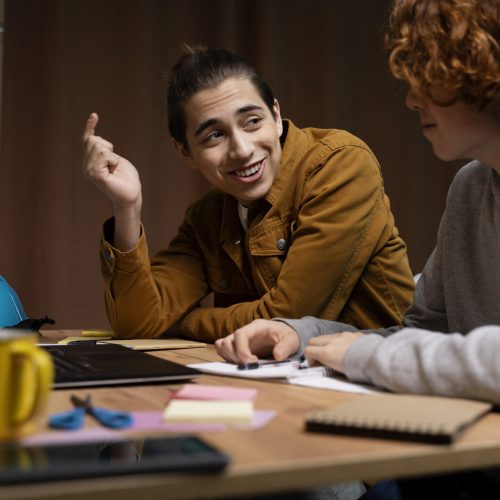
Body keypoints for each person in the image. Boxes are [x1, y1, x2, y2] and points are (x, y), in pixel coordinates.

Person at [216, 0, 500, 496]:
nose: (412, 100)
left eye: (429, 76)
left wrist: (364, 355)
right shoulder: (472, 189)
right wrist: (300, 335)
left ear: (485, 76)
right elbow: (419, 333)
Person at [82, 46, 414, 341]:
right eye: (214, 136)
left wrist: (186, 323)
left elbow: (288, 316)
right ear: (184, 152)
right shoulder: (208, 216)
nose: (241, 149)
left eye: (252, 121)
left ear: (276, 116)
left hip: (380, 385)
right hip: (280, 385)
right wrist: (127, 208)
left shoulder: (340, 165)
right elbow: (137, 323)